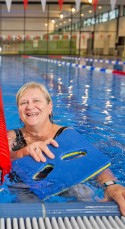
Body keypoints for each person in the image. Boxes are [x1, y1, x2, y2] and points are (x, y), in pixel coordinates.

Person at [7, 82, 125, 215]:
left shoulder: (66, 134)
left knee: (83, 193)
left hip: (67, 185)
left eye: (36, 100)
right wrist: (23, 152)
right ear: (19, 111)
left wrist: (110, 185)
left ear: (49, 107)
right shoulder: (11, 136)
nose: (29, 106)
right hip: (25, 188)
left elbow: (92, 162)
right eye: (23, 103)